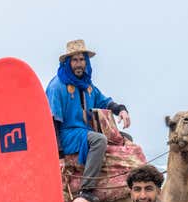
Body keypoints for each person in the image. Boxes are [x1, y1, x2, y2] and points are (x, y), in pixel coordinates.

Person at [46, 39, 130, 193]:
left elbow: (105, 102)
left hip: (84, 131)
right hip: (66, 134)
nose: (79, 64)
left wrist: (122, 110)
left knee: (124, 137)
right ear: (67, 63)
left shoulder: (87, 86)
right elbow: (52, 122)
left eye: (82, 60)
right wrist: (59, 155)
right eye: (75, 60)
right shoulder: (56, 86)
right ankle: (87, 189)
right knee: (99, 140)